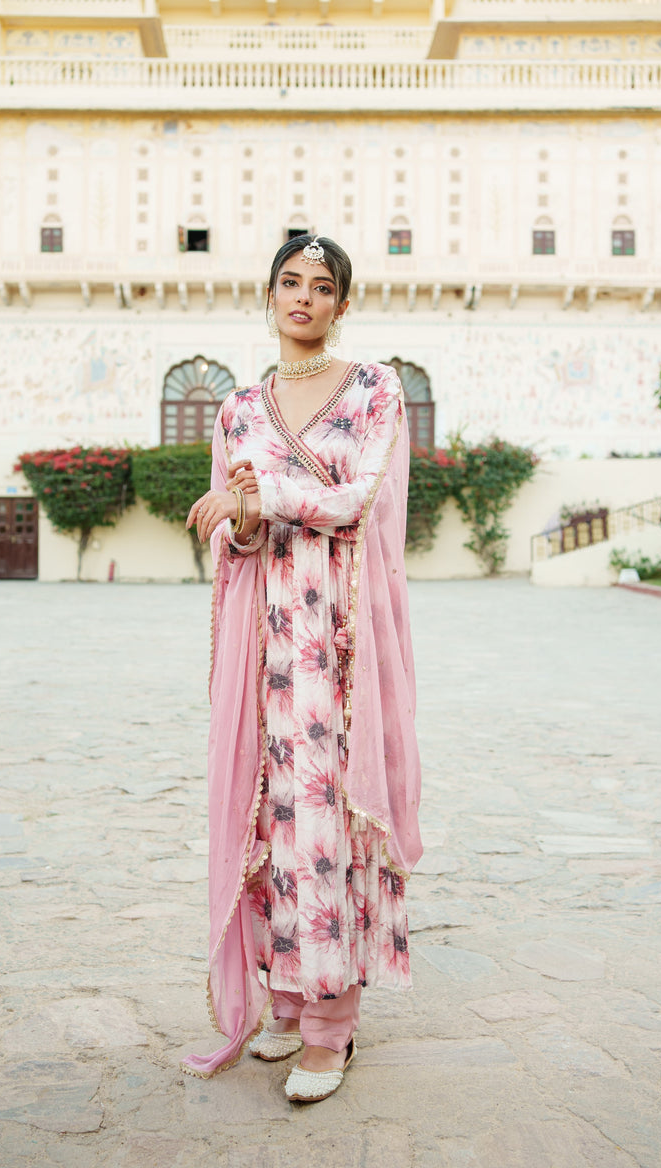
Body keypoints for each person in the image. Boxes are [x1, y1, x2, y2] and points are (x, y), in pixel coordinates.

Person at [181, 234, 422, 1102]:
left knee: (325, 821)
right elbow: (233, 532)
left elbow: (361, 495)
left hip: (339, 644)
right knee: (273, 821)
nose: (305, 297)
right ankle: (287, 999)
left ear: (342, 304)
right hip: (267, 650)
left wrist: (265, 495)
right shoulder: (240, 407)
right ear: (270, 295)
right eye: (291, 282)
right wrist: (241, 521)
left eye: (324, 286)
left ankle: (332, 1028)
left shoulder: (375, 389)